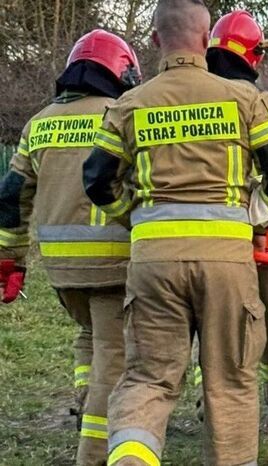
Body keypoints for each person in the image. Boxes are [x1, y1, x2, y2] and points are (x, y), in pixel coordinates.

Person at [82, 1, 268, 464]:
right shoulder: (245, 100)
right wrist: (257, 217)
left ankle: (132, 458)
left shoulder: (129, 104)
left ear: (156, 41)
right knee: (230, 383)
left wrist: (134, 218)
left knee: (148, 379)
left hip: (153, 263)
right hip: (227, 264)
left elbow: (97, 180)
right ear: (206, 40)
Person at [0, 30, 141, 465]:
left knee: (90, 337)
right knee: (114, 361)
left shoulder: (38, 123)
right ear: (121, 71)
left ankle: (85, 400)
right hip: (114, 265)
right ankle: (93, 453)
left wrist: (11, 260)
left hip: (61, 270)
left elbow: (11, 197)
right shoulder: (120, 114)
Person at [202, 9, 268, 425]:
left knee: (212, 324)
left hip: (203, 236)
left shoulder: (191, 95)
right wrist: (264, 218)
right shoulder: (254, 101)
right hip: (254, 236)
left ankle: (208, 403)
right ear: (251, 55)